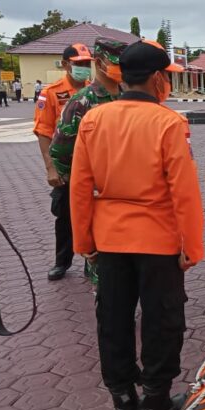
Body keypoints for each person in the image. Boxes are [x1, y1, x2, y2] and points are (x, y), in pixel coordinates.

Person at [69, 39, 203, 410]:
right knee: (162, 321)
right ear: (159, 78)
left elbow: (79, 187)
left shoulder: (94, 120)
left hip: (109, 240)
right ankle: (155, 405)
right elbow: (184, 192)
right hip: (158, 241)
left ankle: (124, 405)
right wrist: (191, 247)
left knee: (112, 319)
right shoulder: (168, 123)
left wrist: (84, 243)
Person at [50, 38, 127, 282]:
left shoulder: (129, 97)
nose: (121, 70)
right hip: (96, 196)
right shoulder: (82, 101)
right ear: (101, 63)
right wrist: (83, 180)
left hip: (127, 193)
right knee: (102, 267)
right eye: (116, 64)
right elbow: (60, 149)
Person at [35, 43, 92, 280]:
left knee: (94, 214)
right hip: (66, 167)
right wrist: (51, 168)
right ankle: (62, 261)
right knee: (65, 216)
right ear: (66, 64)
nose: (83, 68)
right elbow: (43, 131)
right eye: (78, 64)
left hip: (92, 166)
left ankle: (92, 261)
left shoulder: (95, 92)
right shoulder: (51, 92)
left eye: (86, 64)